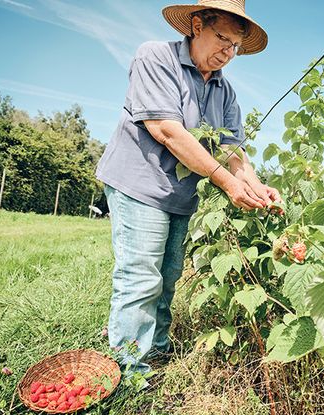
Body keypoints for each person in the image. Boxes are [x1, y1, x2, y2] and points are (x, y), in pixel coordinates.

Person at [95, 0, 281, 375]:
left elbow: (232, 150)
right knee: (141, 276)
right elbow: (166, 129)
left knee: (168, 277)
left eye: (235, 47)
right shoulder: (156, 57)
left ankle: (156, 350)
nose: (227, 53)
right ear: (197, 25)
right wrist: (229, 184)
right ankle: (128, 369)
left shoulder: (225, 93)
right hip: (139, 182)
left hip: (181, 195)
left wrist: (258, 186)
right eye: (222, 39)